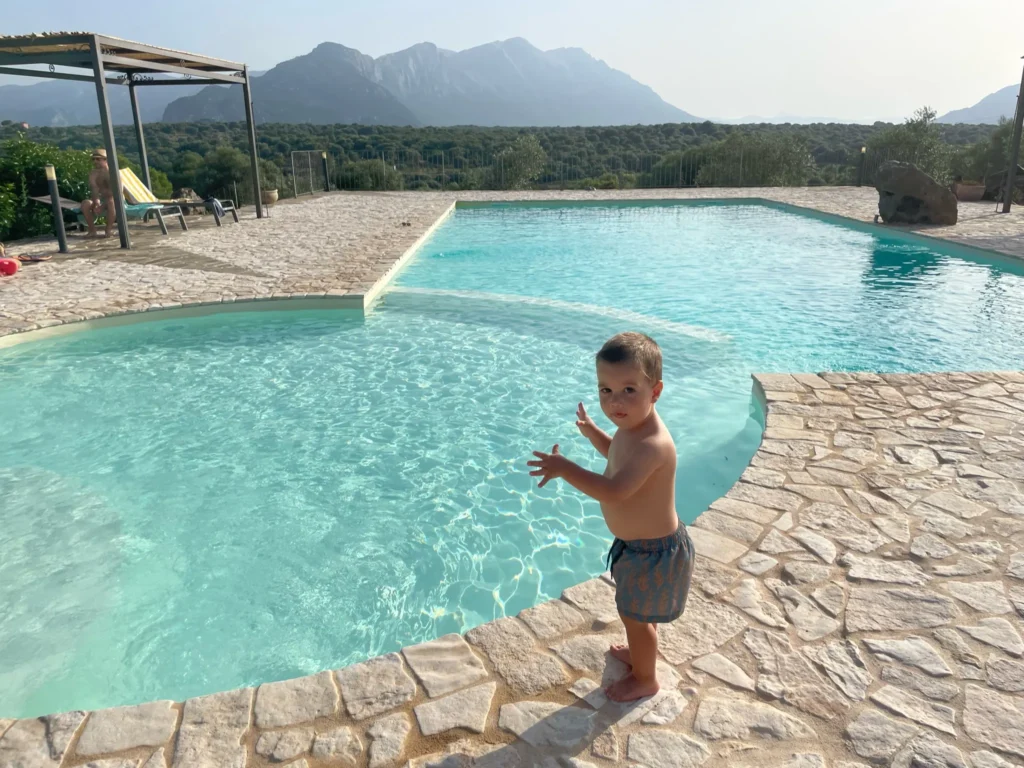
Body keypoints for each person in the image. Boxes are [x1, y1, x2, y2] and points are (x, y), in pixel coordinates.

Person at [527, 332, 694, 702]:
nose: (615, 401)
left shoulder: (653, 443)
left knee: (635, 617)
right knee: (636, 612)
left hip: (654, 552)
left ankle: (646, 677)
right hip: (637, 547)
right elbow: (616, 453)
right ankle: (640, 653)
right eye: (606, 390)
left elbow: (615, 489)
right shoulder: (631, 429)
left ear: (656, 391)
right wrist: (593, 433)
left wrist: (565, 468)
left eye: (629, 390)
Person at [81, 148, 117, 238]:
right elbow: (94, 189)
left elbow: (117, 192)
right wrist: (96, 202)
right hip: (101, 199)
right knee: (85, 203)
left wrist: (103, 205)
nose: (95, 161)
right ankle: (92, 230)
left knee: (110, 202)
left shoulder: (114, 173)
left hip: (115, 199)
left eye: (98, 159)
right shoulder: (93, 173)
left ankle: (108, 230)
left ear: (106, 160)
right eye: (93, 159)